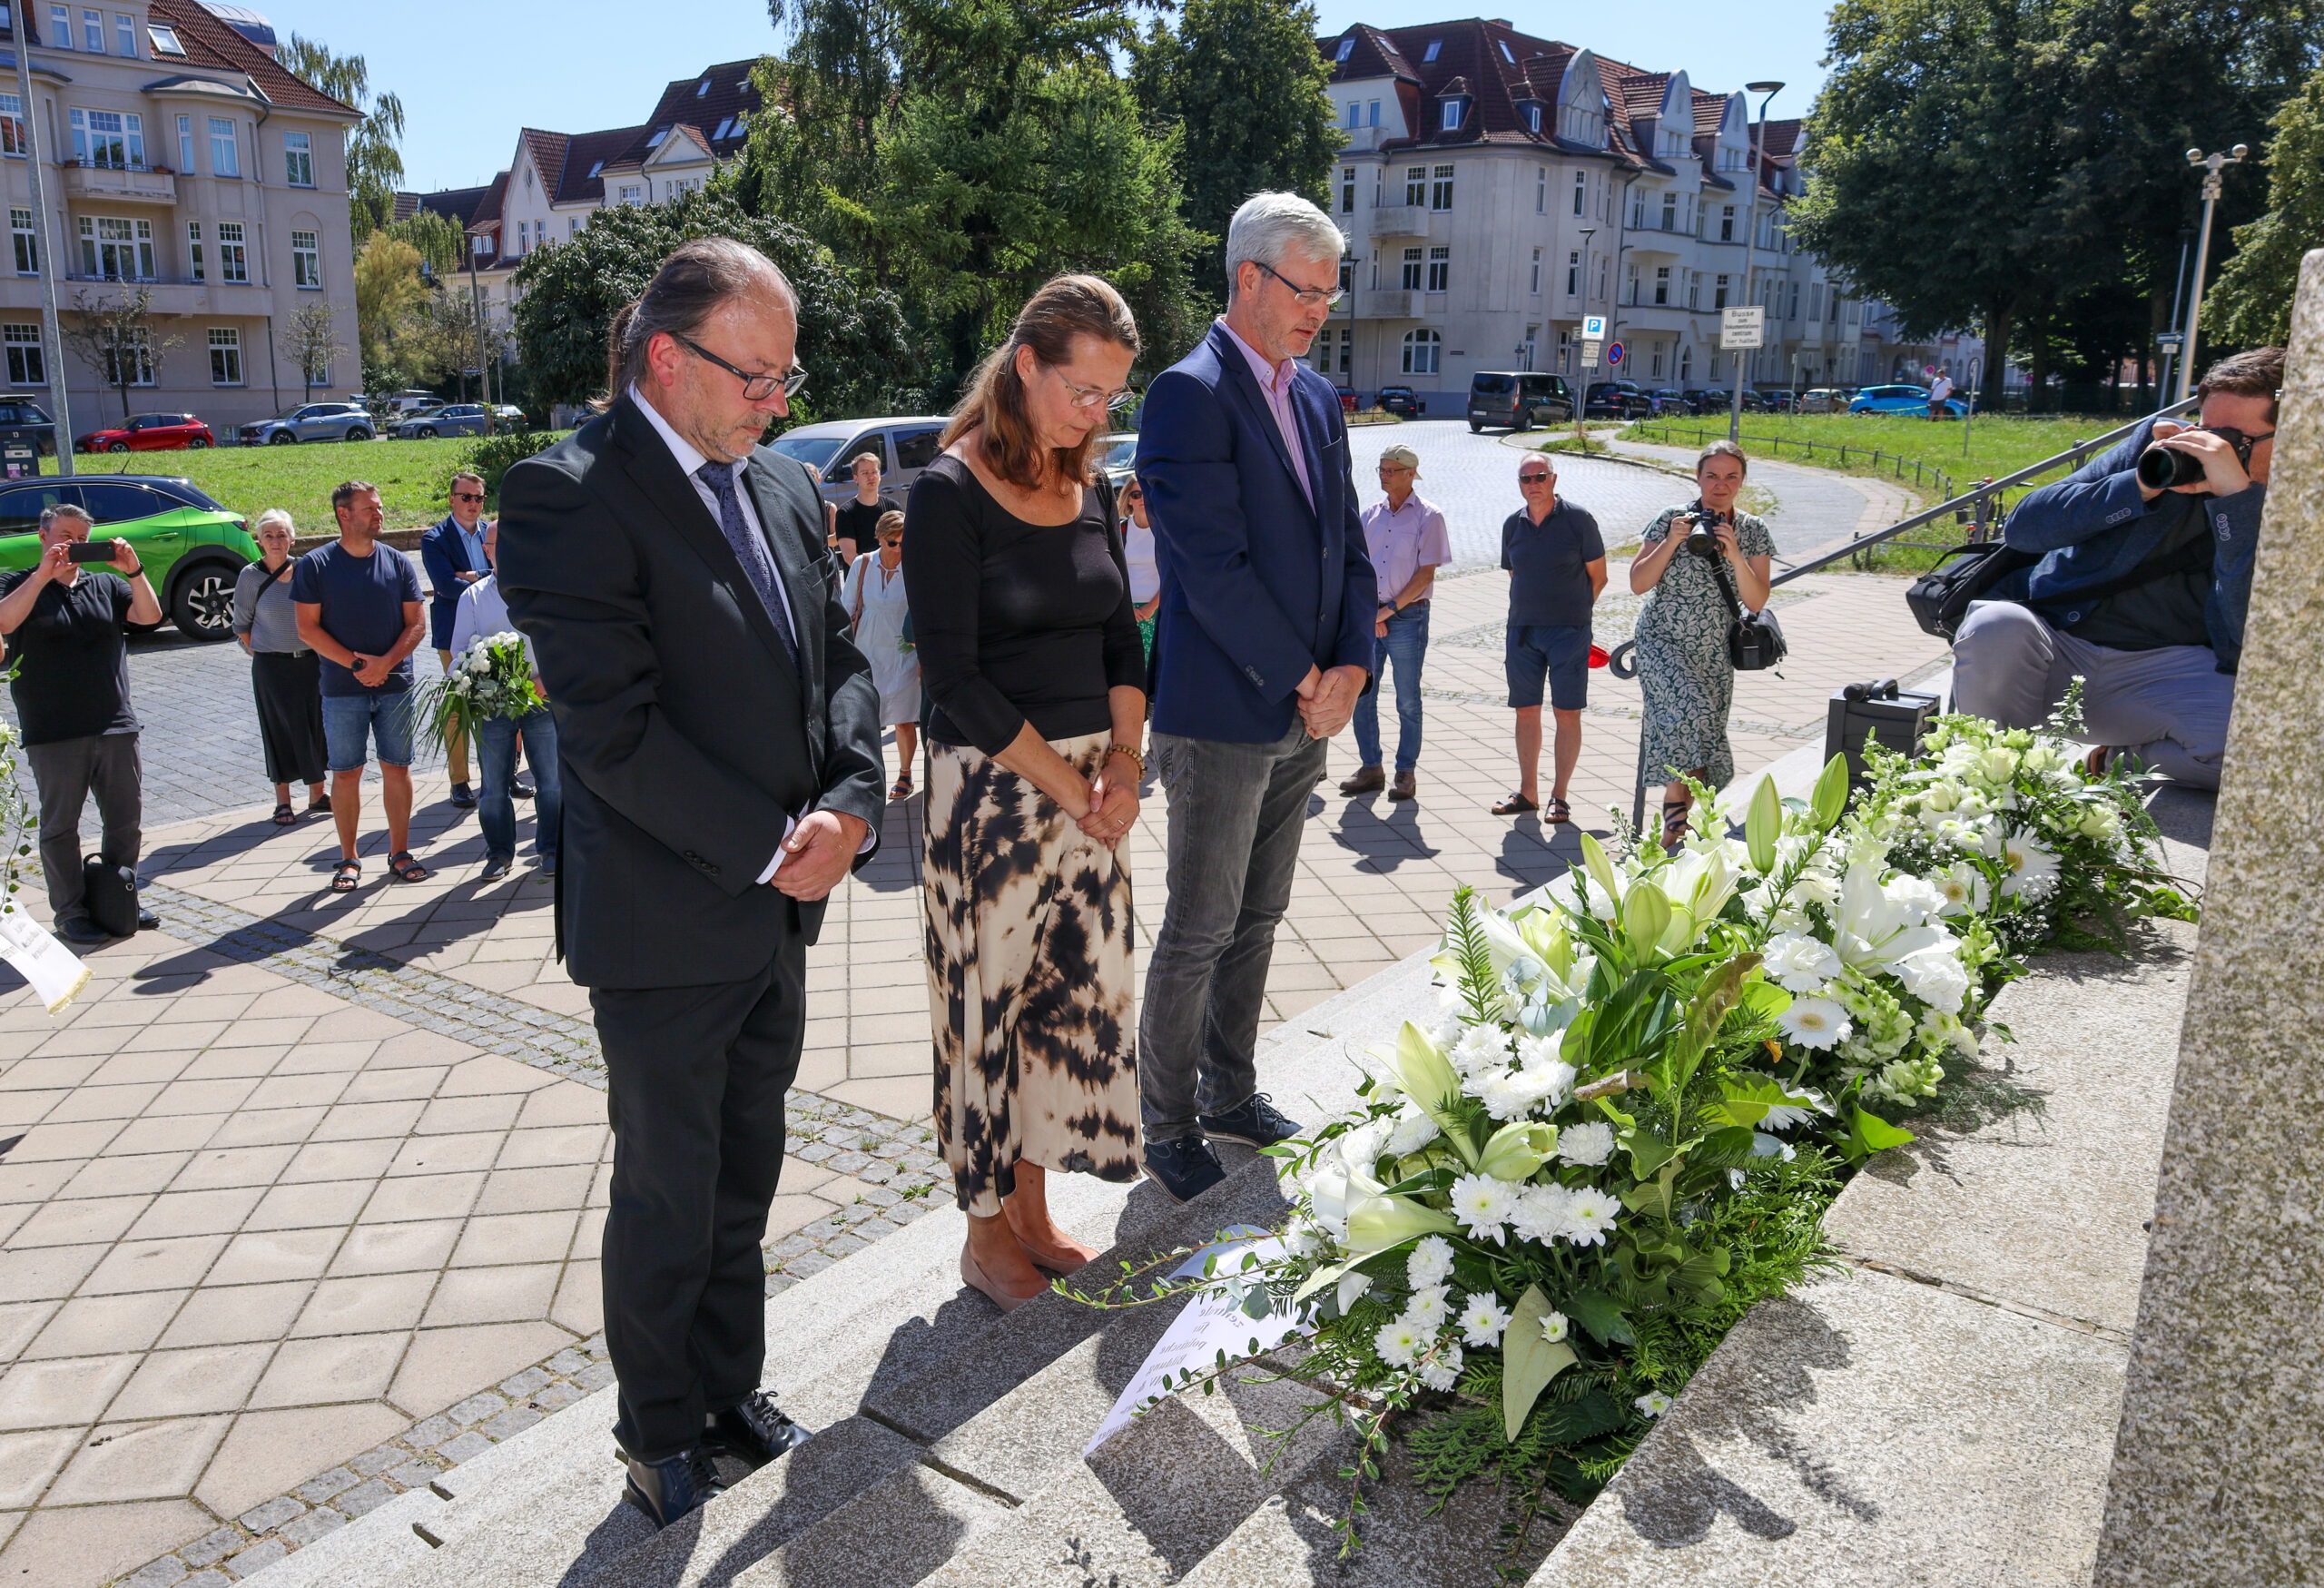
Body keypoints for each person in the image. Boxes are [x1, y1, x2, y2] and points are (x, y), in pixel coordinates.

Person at [496, 238, 881, 1531]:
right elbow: (611, 731)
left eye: (785, 375)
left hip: (777, 903)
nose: (779, 403)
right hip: (666, 921)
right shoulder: (566, 495)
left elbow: (837, 658)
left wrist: (852, 797)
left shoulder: (775, 481)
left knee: (746, 1171)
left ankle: (730, 1391)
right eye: (757, 375)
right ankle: (658, 1430)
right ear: (667, 357)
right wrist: (782, 841)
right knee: (669, 1188)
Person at [905, 273, 1148, 1309]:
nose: (1095, 416)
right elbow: (953, 677)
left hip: (1096, 791)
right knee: (983, 1016)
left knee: (1065, 1007)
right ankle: (983, 1233)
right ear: (1024, 369)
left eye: (1110, 399)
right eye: (1079, 392)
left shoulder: (1087, 489)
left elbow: (1118, 634)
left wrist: (1127, 764)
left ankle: (1038, 1214)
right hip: (993, 798)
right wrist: (1071, 785)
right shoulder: (945, 494)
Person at [1134, 192, 1376, 1203]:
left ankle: (1232, 1091)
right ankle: (1167, 1122)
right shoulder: (1186, 395)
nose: (1321, 309)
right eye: (1306, 290)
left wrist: (1353, 668)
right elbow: (1213, 565)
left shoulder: (1315, 397)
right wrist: (1302, 676)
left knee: (1262, 916)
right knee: (1200, 925)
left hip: (1308, 707)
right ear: (1248, 279)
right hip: (1225, 706)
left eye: (1331, 291)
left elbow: (1350, 546)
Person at [1951, 347, 2276, 789]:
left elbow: (2250, 636)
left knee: (2258, 755)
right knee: (1995, 623)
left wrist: (2235, 502)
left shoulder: (2299, 513)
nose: (2211, 448)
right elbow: (2025, 529)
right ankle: (1985, 782)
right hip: (2059, 649)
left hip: (2168, 674)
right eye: (2207, 429)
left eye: (2233, 440)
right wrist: (2140, 485)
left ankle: (2109, 764)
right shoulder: (2159, 446)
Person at [0, 503, 161, 944]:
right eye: (64, 535)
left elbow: (149, 617)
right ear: (42, 535)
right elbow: (4, 621)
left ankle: (118, 897)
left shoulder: (106, 584)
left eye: (82, 539)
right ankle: (70, 912)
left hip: (114, 723)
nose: (73, 545)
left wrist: (133, 569)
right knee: (60, 827)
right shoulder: (15, 582)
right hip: (52, 729)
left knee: (125, 821)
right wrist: (42, 577)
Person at [1628, 441, 1774, 847]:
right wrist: (1673, 541)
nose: (1720, 485)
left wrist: (1735, 553)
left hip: (1713, 648)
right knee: (1690, 713)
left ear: (1742, 481)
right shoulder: (1671, 519)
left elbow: (1757, 600)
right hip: (1662, 639)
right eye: (1712, 475)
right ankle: (1674, 830)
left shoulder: (1753, 529)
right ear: (1698, 477)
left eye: (1731, 476)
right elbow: (1639, 583)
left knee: (1700, 729)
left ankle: (1682, 827)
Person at [295, 482, 430, 893]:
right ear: (344, 514)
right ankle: (349, 858)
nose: (380, 513)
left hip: (395, 687)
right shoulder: (316, 565)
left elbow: (417, 623)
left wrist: (385, 664)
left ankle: (400, 852)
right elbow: (307, 629)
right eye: (371, 508)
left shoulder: (398, 562)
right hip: (341, 689)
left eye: (380, 506)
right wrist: (357, 664)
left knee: (397, 767)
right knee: (347, 773)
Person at [1494, 457, 1606, 824]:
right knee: (1525, 711)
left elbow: (1599, 577)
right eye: (1525, 478)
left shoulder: (1579, 520)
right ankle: (1528, 793)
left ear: (1553, 479)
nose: (1533, 483)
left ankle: (1560, 796)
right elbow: (1515, 573)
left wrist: (1572, 614)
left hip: (1568, 632)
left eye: (1540, 476)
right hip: (1522, 631)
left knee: (1566, 712)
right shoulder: (1513, 524)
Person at [449, 518, 561, 882]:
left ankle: (551, 849)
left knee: (552, 781)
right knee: (494, 788)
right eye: (499, 544)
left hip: (542, 699)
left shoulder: (543, 590)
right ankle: (499, 853)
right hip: (493, 706)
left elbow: (563, 642)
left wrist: (546, 678)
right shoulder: (474, 597)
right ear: (487, 550)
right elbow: (459, 652)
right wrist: (489, 685)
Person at [1341, 442, 1448, 802]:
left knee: (1407, 699)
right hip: (1370, 617)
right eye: (1381, 470)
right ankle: (1371, 767)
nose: (1384, 476)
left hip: (1408, 618)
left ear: (1409, 474)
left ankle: (1406, 772)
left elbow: (1426, 574)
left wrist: (1388, 611)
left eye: (1390, 470)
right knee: (1361, 695)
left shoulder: (1429, 516)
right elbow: (1357, 567)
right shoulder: (1370, 514)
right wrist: (1369, 614)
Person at [232, 509, 329, 826]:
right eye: (269, 535)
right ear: (259, 541)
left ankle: (318, 793)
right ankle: (283, 801)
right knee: (279, 731)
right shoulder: (250, 576)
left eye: (282, 534)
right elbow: (242, 625)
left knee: (316, 727)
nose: (276, 541)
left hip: (312, 663)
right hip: (272, 667)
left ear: (293, 538)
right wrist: (265, 650)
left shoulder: (307, 570)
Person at [837, 508, 921, 799]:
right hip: (867, 652)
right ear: (880, 539)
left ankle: (906, 774)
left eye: (904, 542)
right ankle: (873, 776)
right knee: (868, 719)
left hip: (903, 653)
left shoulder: (915, 566)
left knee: (904, 718)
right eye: (893, 543)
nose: (900, 549)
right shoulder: (863, 564)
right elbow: (847, 610)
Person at [420, 472, 490, 808]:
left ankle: (502, 776)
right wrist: (486, 581)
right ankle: (460, 782)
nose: (473, 504)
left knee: (500, 704)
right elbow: (446, 586)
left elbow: (508, 572)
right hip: (455, 636)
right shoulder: (434, 539)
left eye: (478, 498)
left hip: (496, 629)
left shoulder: (492, 533)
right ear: (451, 499)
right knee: (458, 709)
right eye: (466, 497)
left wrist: (472, 576)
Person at [1120, 476, 1160, 677]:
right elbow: (1115, 572)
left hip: (1157, 611)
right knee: (1130, 669)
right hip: (1127, 610)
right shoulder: (1121, 530)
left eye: (1146, 493)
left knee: (1156, 669)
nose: (1141, 498)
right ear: (1129, 499)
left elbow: (1172, 575)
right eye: (1136, 494)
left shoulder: (1162, 531)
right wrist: (1127, 606)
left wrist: (1151, 607)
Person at [827, 451, 897, 565]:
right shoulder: (846, 513)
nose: (871, 477)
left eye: (874, 472)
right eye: (865, 473)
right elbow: (850, 557)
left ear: (879, 475)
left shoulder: (893, 507)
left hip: (893, 574)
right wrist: (877, 573)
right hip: (862, 577)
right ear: (855, 478)